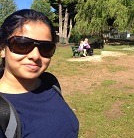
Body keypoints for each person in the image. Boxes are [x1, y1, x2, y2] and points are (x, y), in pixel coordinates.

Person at [0, 9, 79, 137]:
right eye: (22, 44)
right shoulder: (3, 112)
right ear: (2, 49)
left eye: (46, 47)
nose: (35, 56)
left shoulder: (50, 83)